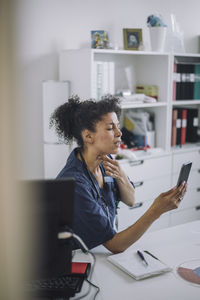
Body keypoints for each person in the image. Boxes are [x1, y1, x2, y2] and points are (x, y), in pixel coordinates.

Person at [50, 95, 187, 254]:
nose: (119, 133)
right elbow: (115, 245)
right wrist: (156, 211)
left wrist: (121, 176)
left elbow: (130, 200)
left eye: (117, 126)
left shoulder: (104, 160)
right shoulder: (75, 184)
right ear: (88, 136)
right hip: (76, 259)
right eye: (110, 128)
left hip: (98, 250)